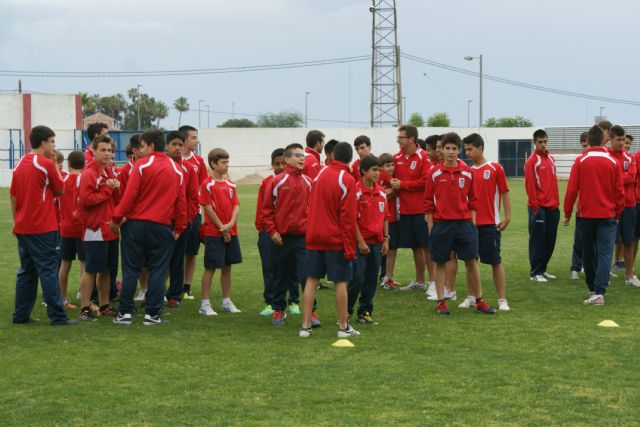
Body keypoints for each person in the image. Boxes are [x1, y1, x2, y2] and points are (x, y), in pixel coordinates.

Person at [111, 129, 186, 325]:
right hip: (162, 227)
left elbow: (129, 196)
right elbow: (181, 202)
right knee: (158, 270)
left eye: (143, 145)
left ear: (152, 146)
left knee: (131, 270)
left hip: (136, 225)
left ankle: (124, 313)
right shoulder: (177, 169)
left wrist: (117, 217)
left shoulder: (142, 165)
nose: (140, 149)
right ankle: (152, 314)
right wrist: (178, 228)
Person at [424, 132, 496, 315]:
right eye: (447, 148)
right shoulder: (434, 173)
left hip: (464, 225)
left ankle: (479, 299)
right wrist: (431, 226)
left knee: (471, 261)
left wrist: (472, 224)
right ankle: (441, 301)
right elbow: (427, 203)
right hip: (442, 225)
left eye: (454, 148)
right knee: (441, 263)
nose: (450, 152)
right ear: (442, 150)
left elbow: (473, 201)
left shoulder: (468, 172)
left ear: (459, 151)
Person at [11, 125, 74, 325]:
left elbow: (13, 195)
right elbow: (61, 189)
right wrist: (55, 163)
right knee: (48, 272)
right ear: (44, 142)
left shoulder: (21, 162)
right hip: (43, 228)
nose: (54, 146)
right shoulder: (45, 164)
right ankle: (58, 317)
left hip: (24, 227)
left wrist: (16, 221)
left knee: (27, 272)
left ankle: (20, 316)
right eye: (52, 142)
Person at [299, 142, 359, 338]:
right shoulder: (347, 179)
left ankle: (305, 325)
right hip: (334, 238)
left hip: (314, 236)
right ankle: (343, 326)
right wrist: (350, 248)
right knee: (341, 281)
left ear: (332, 156)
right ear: (349, 158)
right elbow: (348, 218)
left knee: (311, 279)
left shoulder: (319, 174)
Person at [563, 125, 624, 305]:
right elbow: (619, 191)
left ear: (588, 141)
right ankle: (599, 291)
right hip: (608, 215)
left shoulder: (581, 161)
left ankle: (593, 289)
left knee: (588, 253)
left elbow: (572, 189)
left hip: (586, 216)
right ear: (604, 140)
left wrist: (567, 213)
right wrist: (618, 212)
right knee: (605, 253)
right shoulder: (613, 162)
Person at [261, 143, 312, 325]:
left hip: (302, 237)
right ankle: (278, 309)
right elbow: (266, 211)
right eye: (297, 156)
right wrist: (273, 231)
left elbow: (313, 211)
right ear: (287, 159)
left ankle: (311, 312)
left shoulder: (308, 182)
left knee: (307, 275)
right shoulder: (277, 181)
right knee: (279, 274)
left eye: (303, 156)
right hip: (280, 238)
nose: (301, 159)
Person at [463, 133, 511, 311]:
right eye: (465, 149)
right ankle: (471, 296)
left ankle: (502, 299)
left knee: (495, 261)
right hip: (470, 224)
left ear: (480, 148)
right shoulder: (466, 172)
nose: (467, 153)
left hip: (490, 223)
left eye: (470, 149)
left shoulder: (495, 168)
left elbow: (504, 192)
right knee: (470, 261)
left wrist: (507, 216)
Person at [76, 136, 121, 321]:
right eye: (103, 150)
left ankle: (104, 306)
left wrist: (116, 187)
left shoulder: (108, 171)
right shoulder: (89, 173)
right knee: (91, 270)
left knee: (107, 271)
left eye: (110, 150)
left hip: (110, 227)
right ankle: (85, 308)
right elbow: (86, 200)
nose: (107, 154)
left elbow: (113, 200)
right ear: (93, 151)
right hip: (95, 228)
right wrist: (108, 189)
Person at [199, 148, 242, 316]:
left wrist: (230, 224)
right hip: (213, 232)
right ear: (213, 164)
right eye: (223, 163)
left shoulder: (231, 184)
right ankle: (205, 304)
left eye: (227, 162)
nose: (227, 166)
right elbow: (208, 208)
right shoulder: (207, 184)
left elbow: (236, 205)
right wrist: (222, 227)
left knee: (227, 267)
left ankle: (226, 301)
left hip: (232, 231)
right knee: (211, 267)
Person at [391, 125, 434, 292]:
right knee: (415, 246)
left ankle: (433, 282)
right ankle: (420, 281)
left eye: (401, 137)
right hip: (405, 210)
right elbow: (388, 175)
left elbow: (425, 181)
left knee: (426, 246)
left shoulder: (423, 158)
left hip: (421, 210)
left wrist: (403, 184)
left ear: (411, 139)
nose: (398, 140)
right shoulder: (396, 157)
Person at [348, 155, 389, 324]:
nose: (378, 173)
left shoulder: (381, 193)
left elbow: (386, 217)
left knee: (372, 278)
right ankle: (347, 310)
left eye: (379, 170)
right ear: (364, 171)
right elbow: (351, 219)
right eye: (374, 170)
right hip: (359, 243)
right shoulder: (356, 192)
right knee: (357, 278)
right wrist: (360, 241)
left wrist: (386, 238)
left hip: (377, 242)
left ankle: (364, 311)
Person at [165, 131, 200, 307]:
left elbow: (193, 198)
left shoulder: (189, 169)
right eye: (174, 144)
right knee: (159, 259)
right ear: (166, 145)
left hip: (182, 222)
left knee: (178, 259)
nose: (177, 148)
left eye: (180, 145)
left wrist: (187, 219)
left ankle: (174, 294)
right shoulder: (160, 166)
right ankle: (153, 292)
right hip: (161, 221)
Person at [117, 134, 149, 302]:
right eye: (143, 147)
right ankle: (137, 292)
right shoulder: (125, 171)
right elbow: (122, 196)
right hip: (130, 221)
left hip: (149, 220)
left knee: (148, 260)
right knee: (133, 262)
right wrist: (121, 216)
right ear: (134, 152)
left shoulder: (150, 167)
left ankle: (147, 291)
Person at [524, 129, 559, 282]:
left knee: (549, 241)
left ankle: (543, 269)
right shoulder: (532, 161)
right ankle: (535, 272)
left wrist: (556, 203)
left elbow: (554, 184)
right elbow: (530, 186)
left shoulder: (551, 158)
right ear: (534, 142)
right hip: (539, 208)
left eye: (545, 141)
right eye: (540, 142)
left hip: (553, 207)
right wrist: (535, 207)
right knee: (538, 241)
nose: (543, 144)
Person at [607, 125, 640, 286]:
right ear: (611, 139)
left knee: (628, 240)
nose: (621, 143)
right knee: (606, 241)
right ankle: (605, 273)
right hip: (609, 205)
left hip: (628, 205)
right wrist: (620, 177)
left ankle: (629, 276)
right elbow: (605, 178)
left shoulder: (630, 158)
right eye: (618, 140)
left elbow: (631, 178)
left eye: (623, 140)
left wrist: (614, 177)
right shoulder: (606, 156)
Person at [255, 148, 286, 316]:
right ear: (272, 164)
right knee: (269, 268)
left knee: (288, 269)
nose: (280, 167)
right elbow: (262, 207)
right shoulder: (267, 182)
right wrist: (262, 230)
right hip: (268, 231)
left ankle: (291, 300)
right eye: (277, 164)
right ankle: (269, 302)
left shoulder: (294, 180)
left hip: (287, 232)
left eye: (283, 163)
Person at [180, 125, 208, 300]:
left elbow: (203, 186)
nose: (196, 140)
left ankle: (186, 286)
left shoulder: (198, 160)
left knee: (191, 251)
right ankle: (169, 286)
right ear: (183, 139)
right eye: (193, 137)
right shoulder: (172, 159)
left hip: (194, 212)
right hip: (174, 213)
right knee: (173, 252)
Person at [58, 150, 85, 310]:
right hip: (82, 229)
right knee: (84, 264)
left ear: (68, 164)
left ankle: (62, 299)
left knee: (65, 264)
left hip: (66, 228)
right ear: (85, 164)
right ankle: (84, 296)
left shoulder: (63, 180)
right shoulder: (84, 180)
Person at [377, 153, 400, 289]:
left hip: (393, 218)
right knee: (383, 250)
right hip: (384, 219)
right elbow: (381, 193)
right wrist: (391, 190)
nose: (391, 168)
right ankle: (383, 277)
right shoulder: (381, 177)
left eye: (392, 165)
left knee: (392, 249)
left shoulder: (393, 178)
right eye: (387, 166)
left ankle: (387, 277)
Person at [570, 132, 589, 279]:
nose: (585, 147)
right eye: (583, 145)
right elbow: (574, 187)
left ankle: (586, 265)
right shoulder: (579, 161)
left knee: (593, 240)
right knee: (579, 239)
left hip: (595, 208)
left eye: (587, 145)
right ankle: (575, 267)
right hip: (581, 208)